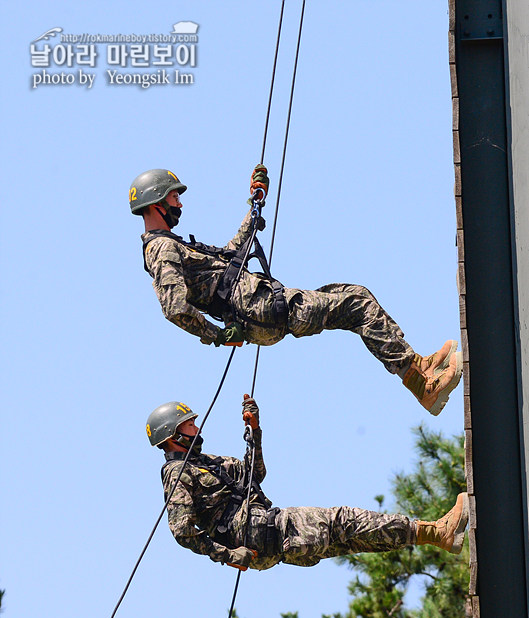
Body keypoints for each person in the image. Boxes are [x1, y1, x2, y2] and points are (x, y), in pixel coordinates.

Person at [131, 167, 462, 416]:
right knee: (358, 304)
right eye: (174, 197)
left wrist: (254, 205)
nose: (180, 204)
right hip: (258, 309)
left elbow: (232, 257)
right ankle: (421, 384)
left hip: (261, 306)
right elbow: (174, 307)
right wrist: (217, 335)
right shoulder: (161, 249)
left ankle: (418, 367)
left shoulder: (173, 245)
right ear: (156, 203)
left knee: (351, 294)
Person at [146, 396, 469, 571]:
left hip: (270, 536)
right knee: (342, 520)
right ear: (173, 436)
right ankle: (435, 532)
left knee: (353, 539)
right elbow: (182, 531)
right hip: (264, 531)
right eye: (189, 425)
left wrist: (254, 432)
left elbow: (254, 475)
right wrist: (226, 554)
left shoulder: (209, 464)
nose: (196, 428)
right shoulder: (176, 473)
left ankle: (436, 536)